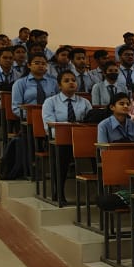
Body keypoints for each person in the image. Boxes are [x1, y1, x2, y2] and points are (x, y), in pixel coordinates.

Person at [41, 71, 92, 205]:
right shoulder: (50, 102)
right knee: (61, 151)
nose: (71, 83)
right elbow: (49, 126)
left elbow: (90, 122)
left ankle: (99, 191)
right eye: (66, 80)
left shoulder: (85, 102)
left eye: (73, 80)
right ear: (59, 85)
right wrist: (65, 135)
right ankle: (59, 192)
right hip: (58, 141)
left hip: (81, 139)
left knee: (96, 150)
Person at [10, 55, 57, 119]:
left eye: (43, 64)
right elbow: (16, 107)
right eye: (37, 63)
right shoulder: (20, 83)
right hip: (29, 119)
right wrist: (32, 116)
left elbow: (59, 103)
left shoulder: (53, 83)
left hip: (51, 118)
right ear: (29, 65)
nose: (40, 66)